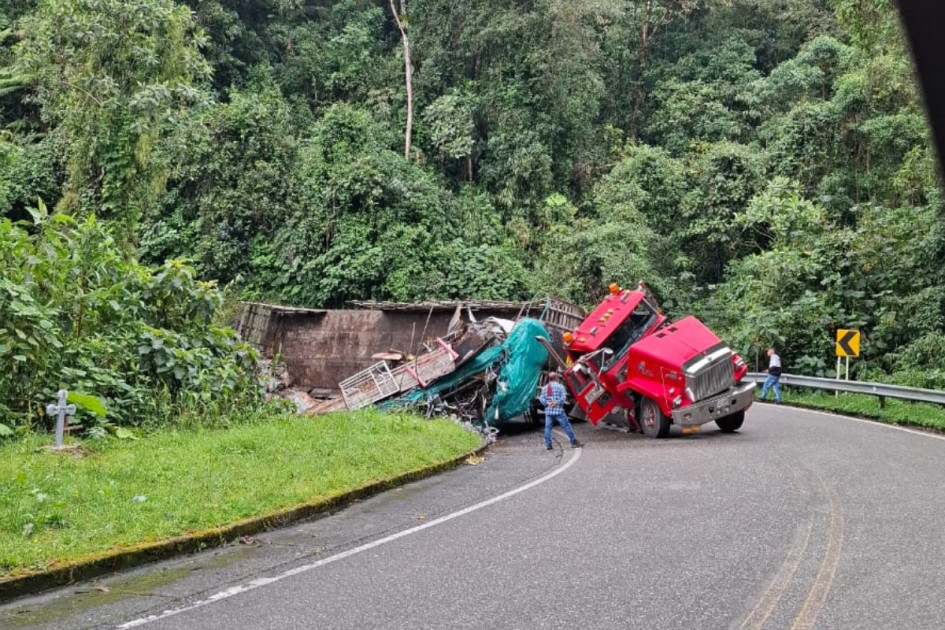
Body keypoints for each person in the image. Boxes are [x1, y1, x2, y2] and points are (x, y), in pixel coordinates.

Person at [539, 372, 583, 449]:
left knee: (548, 428)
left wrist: (548, 403)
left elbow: (541, 399)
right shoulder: (561, 387)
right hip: (559, 411)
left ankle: (548, 445)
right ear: (556, 378)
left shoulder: (544, 388)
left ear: (549, 379)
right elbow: (563, 398)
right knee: (566, 426)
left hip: (548, 411)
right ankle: (573, 442)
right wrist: (556, 403)